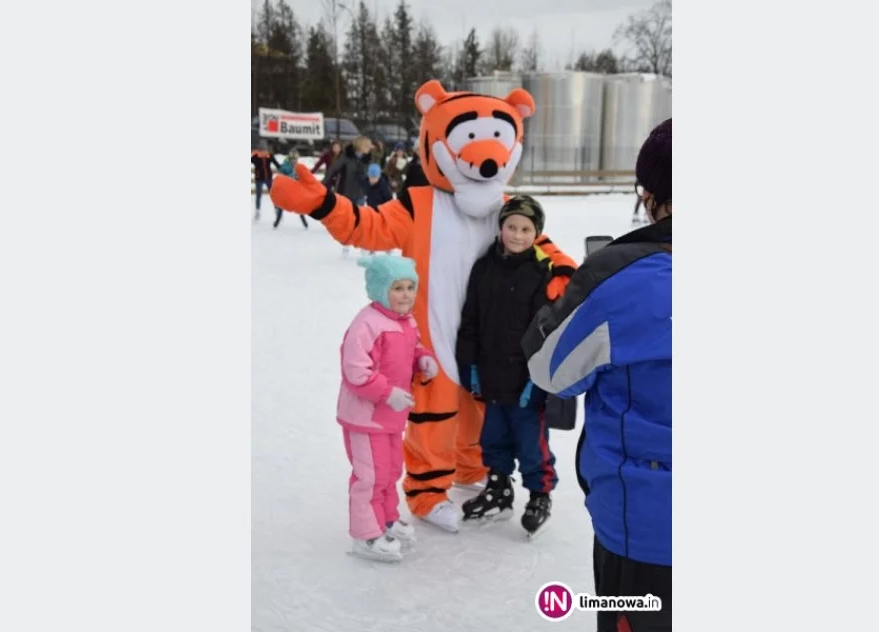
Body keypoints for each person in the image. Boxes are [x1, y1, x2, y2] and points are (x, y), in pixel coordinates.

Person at [269, 80, 576, 533]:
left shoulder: (507, 209)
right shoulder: (419, 204)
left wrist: (565, 274)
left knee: (481, 410)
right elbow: (367, 227)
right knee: (433, 417)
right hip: (432, 333)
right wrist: (323, 203)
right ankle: (428, 491)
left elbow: (544, 249)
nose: (486, 156)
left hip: (490, 338)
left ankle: (472, 470)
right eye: (470, 140)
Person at [522, 119, 672, 631]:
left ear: (651, 195)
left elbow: (550, 369)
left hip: (649, 526)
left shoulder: (622, 278)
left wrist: (570, 297)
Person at [456, 195, 558, 537]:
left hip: (526, 380)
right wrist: (469, 365)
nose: (517, 235)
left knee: (532, 443)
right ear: (501, 228)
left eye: (525, 229)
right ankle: (498, 487)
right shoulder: (484, 267)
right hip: (490, 373)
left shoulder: (541, 272)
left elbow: (547, 332)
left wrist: (538, 379)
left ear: (536, 233)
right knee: (493, 437)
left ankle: (540, 495)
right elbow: (470, 319)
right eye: (511, 227)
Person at [338, 254, 439, 562]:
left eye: (410, 287)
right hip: (365, 417)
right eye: (397, 288)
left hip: (392, 417)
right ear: (381, 289)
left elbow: (414, 347)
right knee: (370, 475)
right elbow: (356, 370)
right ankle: (365, 535)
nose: (406, 294)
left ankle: (386, 519)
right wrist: (386, 393)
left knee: (391, 470)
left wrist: (423, 360)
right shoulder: (366, 324)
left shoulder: (406, 322)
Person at [274, 151, 309, 229]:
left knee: (299, 205)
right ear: (290, 159)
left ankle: (304, 222)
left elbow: (300, 176)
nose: (294, 161)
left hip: (295, 189)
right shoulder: (285, 166)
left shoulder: (297, 166)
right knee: (281, 206)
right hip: (285, 189)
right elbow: (281, 176)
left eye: (296, 159)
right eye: (293, 159)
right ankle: (276, 222)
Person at [251, 142, 281, 221]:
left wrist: (283, 169)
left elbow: (277, 165)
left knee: (273, 195)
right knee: (258, 195)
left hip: (268, 179)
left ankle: (276, 209)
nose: (264, 152)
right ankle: (257, 211)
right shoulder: (255, 157)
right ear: (259, 150)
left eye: (265, 150)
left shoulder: (269, 156)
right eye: (262, 150)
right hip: (259, 179)